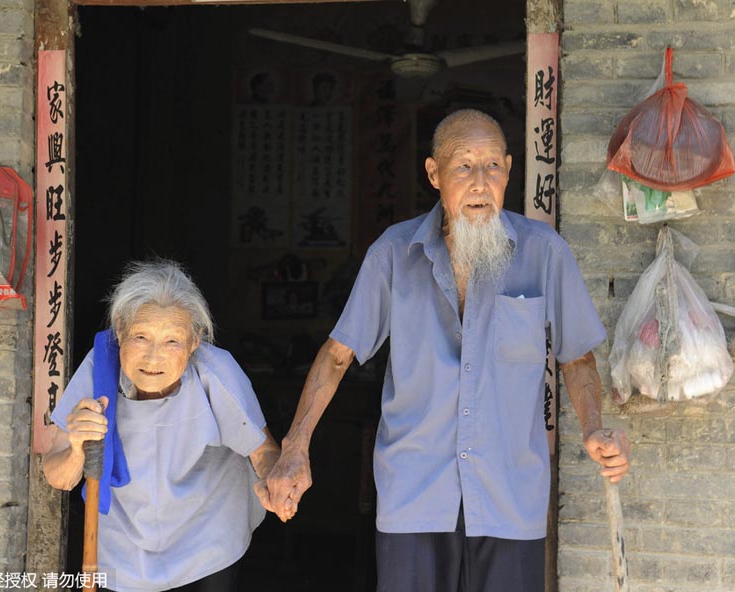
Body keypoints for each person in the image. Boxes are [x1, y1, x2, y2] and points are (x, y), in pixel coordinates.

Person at [266, 110, 631, 592]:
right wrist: (295, 445)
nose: (480, 183)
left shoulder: (544, 253)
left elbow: (576, 358)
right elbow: (338, 355)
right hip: (414, 491)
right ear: (434, 174)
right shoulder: (393, 254)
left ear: (508, 170)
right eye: (463, 166)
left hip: (509, 495)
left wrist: (593, 427)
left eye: (492, 167)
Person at [43, 260, 289, 592]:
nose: (153, 357)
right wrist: (75, 448)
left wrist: (278, 484)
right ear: (119, 330)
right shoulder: (99, 370)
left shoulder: (215, 373)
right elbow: (58, 478)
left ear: (195, 341)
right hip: (122, 547)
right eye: (141, 337)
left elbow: (263, 452)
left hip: (207, 539)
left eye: (172, 341)